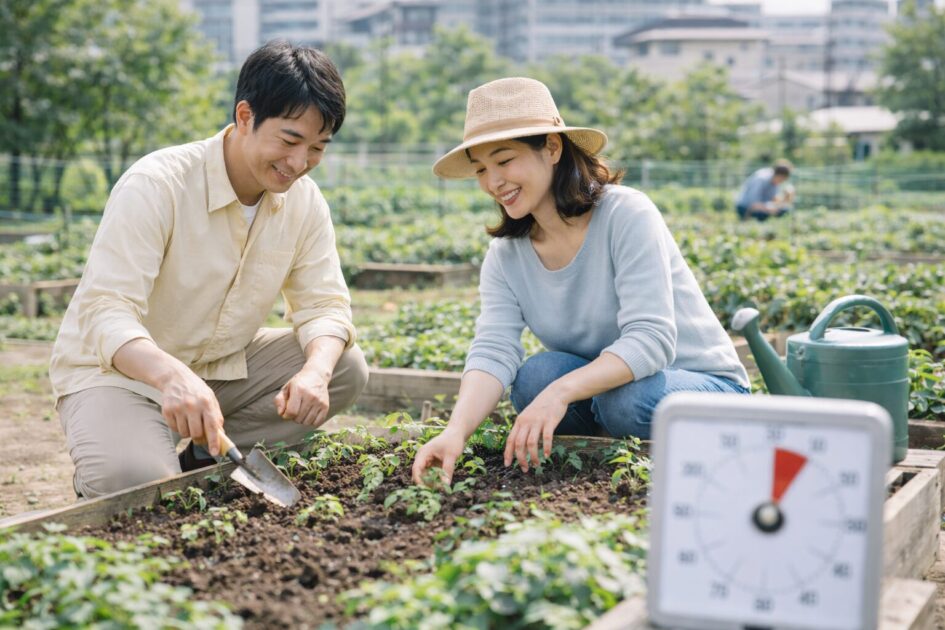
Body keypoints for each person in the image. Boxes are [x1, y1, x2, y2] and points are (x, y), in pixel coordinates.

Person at [50, 41, 369, 498]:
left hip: (219, 368)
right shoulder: (157, 184)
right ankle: (133, 458)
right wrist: (172, 376)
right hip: (120, 374)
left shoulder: (305, 201)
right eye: (290, 140)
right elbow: (106, 312)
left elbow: (324, 305)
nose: (299, 164)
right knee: (137, 484)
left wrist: (315, 372)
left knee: (343, 366)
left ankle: (206, 456)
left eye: (318, 147)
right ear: (244, 117)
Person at [412, 77, 749, 485]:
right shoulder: (507, 254)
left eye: (504, 161)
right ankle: (607, 445)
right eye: (481, 169)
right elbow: (494, 347)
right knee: (534, 378)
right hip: (608, 388)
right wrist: (455, 432)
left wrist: (559, 394)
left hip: (699, 384)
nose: (493, 182)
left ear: (552, 148)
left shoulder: (626, 214)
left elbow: (652, 340)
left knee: (621, 400)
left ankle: (617, 431)